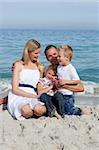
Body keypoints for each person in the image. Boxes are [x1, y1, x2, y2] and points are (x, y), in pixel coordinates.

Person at [7, 39, 46, 120]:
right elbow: (15, 89)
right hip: (18, 95)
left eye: (39, 53)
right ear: (28, 52)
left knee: (40, 110)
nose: (38, 55)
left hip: (33, 93)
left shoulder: (39, 66)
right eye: (36, 53)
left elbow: (40, 84)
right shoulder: (19, 65)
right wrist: (33, 96)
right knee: (27, 111)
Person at [53, 45, 82, 116]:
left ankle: (78, 110)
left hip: (68, 95)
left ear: (67, 58)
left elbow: (77, 81)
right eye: (57, 56)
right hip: (60, 93)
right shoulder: (59, 67)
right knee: (62, 110)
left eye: (59, 56)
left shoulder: (70, 68)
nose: (57, 58)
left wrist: (66, 82)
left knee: (68, 111)